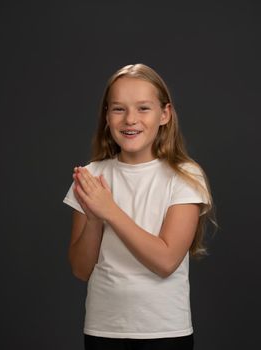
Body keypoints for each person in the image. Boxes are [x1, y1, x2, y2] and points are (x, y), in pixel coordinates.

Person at [63, 63, 217, 350]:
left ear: (165, 114)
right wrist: (95, 219)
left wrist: (109, 210)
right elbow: (81, 269)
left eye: (143, 108)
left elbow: (165, 261)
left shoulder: (185, 175)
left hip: (164, 332)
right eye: (118, 109)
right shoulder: (92, 175)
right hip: (102, 330)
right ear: (107, 117)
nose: (130, 119)